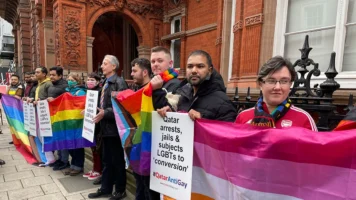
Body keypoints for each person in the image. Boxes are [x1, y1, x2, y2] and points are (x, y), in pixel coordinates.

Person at [235, 56, 318, 131]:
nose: (277, 87)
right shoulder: (243, 117)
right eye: (271, 81)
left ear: (290, 84)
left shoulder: (303, 119)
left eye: (284, 81)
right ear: (260, 83)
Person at [156, 50, 237, 122]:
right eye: (190, 66)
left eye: (200, 66)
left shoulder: (223, 102)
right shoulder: (183, 95)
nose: (194, 71)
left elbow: (227, 134)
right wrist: (172, 114)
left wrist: (203, 121)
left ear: (210, 70)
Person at [88, 55, 128, 200]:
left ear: (113, 66)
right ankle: (105, 188)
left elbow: (122, 107)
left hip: (115, 130)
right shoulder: (104, 82)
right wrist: (89, 111)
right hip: (104, 129)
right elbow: (102, 104)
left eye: (105, 64)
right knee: (106, 160)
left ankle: (120, 190)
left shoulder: (120, 82)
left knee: (117, 161)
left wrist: (106, 113)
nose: (102, 66)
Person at [130, 58, 157, 200]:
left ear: (145, 72)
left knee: (148, 186)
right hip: (137, 143)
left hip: (150, 146)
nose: (131, 74)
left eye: (135, 71)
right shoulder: (137, 89)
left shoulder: (155, 91)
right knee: (139, 181)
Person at [62, 73, 86, 176]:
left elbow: (81, 105)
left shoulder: (81, 92)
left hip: (77, 122)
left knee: (78, 146)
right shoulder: (67, 91)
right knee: (70, 145)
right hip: (68, 122)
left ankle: (79, 166)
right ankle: (73, 165)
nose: (69, 81)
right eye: (68, 79)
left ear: (77, 81)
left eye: (72, 79)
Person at [46, 66, 70, 171]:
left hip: (62, 118)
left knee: (62, 139)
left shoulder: (65, 86)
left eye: (53, 75)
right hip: (53, 116)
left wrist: (55, 100)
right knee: (57, 139)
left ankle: (65, 161)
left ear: (60, 75)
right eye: (50, 75)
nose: (51, 77)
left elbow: (67, 101)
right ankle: (60, 159)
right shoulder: (51, 85)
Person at [82, 72, 102, 182]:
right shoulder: (90, 91)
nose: (89, 81)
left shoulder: (99, 92)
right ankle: (95, 168)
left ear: (98, 82)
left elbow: (99, 107)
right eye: (88, 79)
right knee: (93, 147)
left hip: (97, 124)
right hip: (90, 123)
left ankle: (98, 170)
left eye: (92, 79)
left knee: (97, 149)